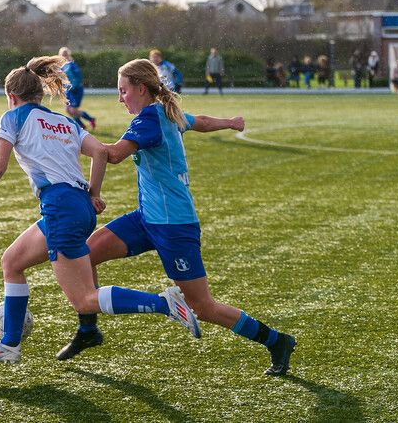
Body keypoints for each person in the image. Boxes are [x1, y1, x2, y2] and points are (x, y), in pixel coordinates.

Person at [56, 59, 297, 376]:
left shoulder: (151, 120)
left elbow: (112, 155)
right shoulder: (166, 113)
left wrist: (70, 133)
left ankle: (277, 341)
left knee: (203, 307)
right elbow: (202, 121)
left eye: (123, 91)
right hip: (147, 220)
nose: (120, 98)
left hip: (174, 227)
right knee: (86, 255)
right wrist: (230, 122)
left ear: (141, 89)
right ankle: (89, 330)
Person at [0, 56, 201, 364]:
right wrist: (94, 193)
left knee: (85, 299)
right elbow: (101, 153)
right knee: (12, 261)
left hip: (61, 208)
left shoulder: (12, 118)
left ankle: (163, 304)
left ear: (11, 96)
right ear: (39, 93)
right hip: (78, 205)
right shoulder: (64, 122)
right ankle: (9, 345)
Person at [59, 47, 96, 130]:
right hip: (68, 91)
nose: (63, 56)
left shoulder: (72, 65)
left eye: (65, 54)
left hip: (76, 91)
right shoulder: (61, 67)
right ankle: (81, 125)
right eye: (62, 55)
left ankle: (91, 119)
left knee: (73, 110)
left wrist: (74, 86)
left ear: (68, 55)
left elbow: (79, 77)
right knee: (68, 110)